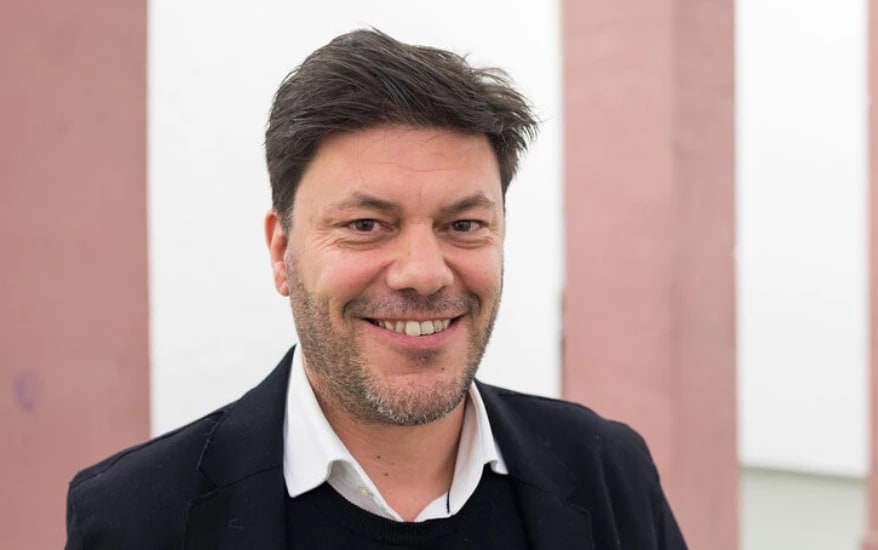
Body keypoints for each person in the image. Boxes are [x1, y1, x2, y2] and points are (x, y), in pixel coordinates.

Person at [65, 29, 686, 549]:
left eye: (463, 225)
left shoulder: (608, 475)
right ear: (282, 252)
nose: (423, 272)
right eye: (366, 226)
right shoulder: (136, 518)